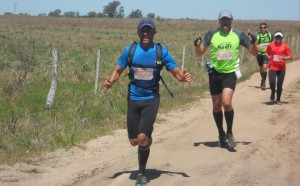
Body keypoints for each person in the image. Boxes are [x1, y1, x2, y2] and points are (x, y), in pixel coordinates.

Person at [103, 17, 192, 185]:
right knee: (134, 141)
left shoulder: (161, 52)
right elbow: (118, 70)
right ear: (138, 32)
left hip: (151, 99)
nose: (146, 33)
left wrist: (182, 77)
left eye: (149, 30)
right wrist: (110, 81)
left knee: (142, 137)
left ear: (154, 33)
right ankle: (146, 140)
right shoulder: (130, 50)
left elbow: (176, 71)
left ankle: (141, 174)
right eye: (143, 30)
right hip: (133, 98)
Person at [194, 10, 258, 149]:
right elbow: (199, 54)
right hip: (215, 74)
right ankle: (221, 133)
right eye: (222, 20)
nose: (225, 22)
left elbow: (254, 53)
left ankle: (229, 132)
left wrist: (253, 43)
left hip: (230, 73)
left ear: (231, 21)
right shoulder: (212, 34)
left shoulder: (239, 34)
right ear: (219, 21)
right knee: (217, 106)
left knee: (226, 103)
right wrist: (197, 45)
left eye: (227, 20)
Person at [265, 31, 293, 105]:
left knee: (279, 84)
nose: (278, 39)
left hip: (281, 68)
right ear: (274, 38)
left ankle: (278, 99)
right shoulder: (271, 45)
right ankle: (273, 91)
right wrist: (268, 56)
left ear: (282, 38)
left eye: (279, 37)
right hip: (272, 67)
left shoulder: (285, 46)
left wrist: (283, 57)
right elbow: (266, 53)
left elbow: (290, 56)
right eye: (277, 37)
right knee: (272, 82)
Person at [255, 23, 273, 90]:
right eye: (261, 27)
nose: (262, 29)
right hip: (259, 54)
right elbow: (253, 43)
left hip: (266, 54)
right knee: (261, 68)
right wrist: (256, 46)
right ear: (259, 28)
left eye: (264, 27)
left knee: (265, 67)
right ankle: (263, 80)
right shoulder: (257, 35)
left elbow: (272, 43)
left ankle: (263, 83)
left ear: (266, 28)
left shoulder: (270, 35)